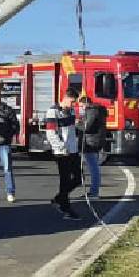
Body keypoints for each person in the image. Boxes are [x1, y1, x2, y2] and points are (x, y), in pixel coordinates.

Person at [46, 89, 83, 220]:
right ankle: (66, 208)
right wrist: (61, 147)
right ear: (65, 98)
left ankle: (59, 198)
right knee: (65, 180)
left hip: (73, 150)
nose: (73, 105)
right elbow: (51, 133)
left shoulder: (71, 111)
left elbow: (71, 130)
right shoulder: (53, 111)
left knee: (78, 178)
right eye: (72, 102)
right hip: (62, 152)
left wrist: (79, 125)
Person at [78, 96, 107, 199]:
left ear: (85, 104)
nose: (81, 108)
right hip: (95, 140)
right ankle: (94, 191)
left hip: (91, 142)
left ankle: (94, 192)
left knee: (93, 168)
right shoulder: (97, 110)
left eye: (81, 106)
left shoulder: (91, 111)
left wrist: (77, 124)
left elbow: (87, 127)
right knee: (94, 167)